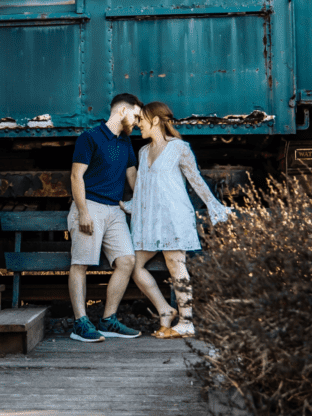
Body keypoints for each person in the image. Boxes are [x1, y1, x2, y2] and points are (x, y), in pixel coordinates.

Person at [121, 101, 231, 338]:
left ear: (156, 121)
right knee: (133, 264)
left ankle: (187, 322)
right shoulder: (142, 151)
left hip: (173, 217)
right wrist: (129, 205)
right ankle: (165, 309)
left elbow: (196, 180)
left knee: (175, 265)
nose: (138, 124)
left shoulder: (179, 148)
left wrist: (214, 205)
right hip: (150, 220)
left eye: (142, 119)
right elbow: (141, 187)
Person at [67, 93, 144, 342]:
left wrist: (142, 204)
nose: (137, 122)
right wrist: (83, 212)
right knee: (81, 263)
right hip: (90, 206)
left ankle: (108, 320)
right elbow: (76, 176)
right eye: (135, 116)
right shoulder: (89, 138)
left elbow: (134, 179)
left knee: (127, 261)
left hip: (115, 210)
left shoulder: (126, 143)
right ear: (122, 111)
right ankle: (80, 323)